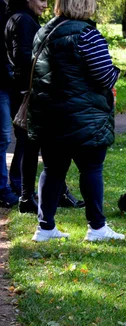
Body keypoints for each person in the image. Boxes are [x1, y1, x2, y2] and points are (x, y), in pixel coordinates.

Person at [28, 0, 124, 242]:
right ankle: (97, 228)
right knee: (91, 168)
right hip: (84, 117)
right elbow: (104, 75)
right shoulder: (87, 34)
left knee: (52, 170)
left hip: (50, 117)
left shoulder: (44, 31)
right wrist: (116, 73)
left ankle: (45, 228)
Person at [4, 0, 83, 214]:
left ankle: (42, 195)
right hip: (30, 92)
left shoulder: (19, 18)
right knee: (38, 146)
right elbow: (23, 57)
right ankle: (33, 196)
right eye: (41, 0)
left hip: (25, 91)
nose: (46, 5)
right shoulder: (23, 20)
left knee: (31, 146)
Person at [0, 0, 18, 208]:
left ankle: (11, 185)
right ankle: (2, 189)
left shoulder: (13, 9)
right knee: (3, 137)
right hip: (3, 83)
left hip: (10, 82)